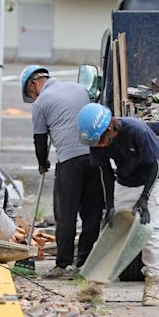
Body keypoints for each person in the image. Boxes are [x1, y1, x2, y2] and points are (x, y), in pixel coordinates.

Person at [76, 102, 159, 306]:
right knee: (114, 231)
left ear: (110, 128)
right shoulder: (96, 140)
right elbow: (106, 173)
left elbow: (154, 165)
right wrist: (109, 205)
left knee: (151, 231)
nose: (98, 146)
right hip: (125, 181)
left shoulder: (137, 130)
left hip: (154, 180)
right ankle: (96, 287)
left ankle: (151, 286)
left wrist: (144, 199)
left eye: (100, 141)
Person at [20, 65, 103, 279]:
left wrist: (42, 163)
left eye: (30, 93)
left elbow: (40, 140)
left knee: (65, 214)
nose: (33, 96)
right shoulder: (80, 90)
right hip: (95, 156)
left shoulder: (40, 103)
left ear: (35, 84)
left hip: (69, 160)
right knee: (92, 213)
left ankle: (62, 264)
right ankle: (85, 263)